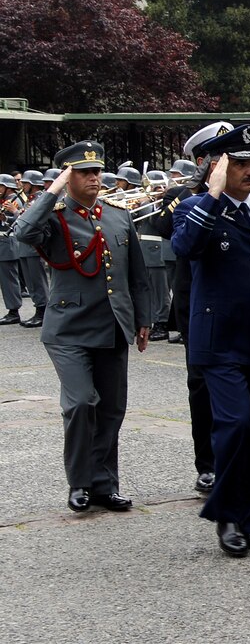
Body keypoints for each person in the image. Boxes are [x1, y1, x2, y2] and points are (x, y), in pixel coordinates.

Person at [172, 124, 250, 557]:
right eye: (239, 164)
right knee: (235, 425)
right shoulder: (192, 208)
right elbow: (186, 248)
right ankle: (226, 516)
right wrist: (214, 195)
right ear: (217, 166)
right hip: (218, 341)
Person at [14, 141, 151, 512]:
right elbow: (22, 232)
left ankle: (105, 485)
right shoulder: (54, 216)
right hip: (69, 329)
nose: (94, 177)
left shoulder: (118, 215)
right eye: (83, 172)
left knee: (111, 409)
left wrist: (143, 318)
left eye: (97, 171)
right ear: (67, 176)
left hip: (112, 324)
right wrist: (52, 190)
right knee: (80, 404)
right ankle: (79, 483)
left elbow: (136, 274)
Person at [153, 121, 233, 493]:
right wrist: (204, 188)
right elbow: (166, 227)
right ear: (202, 161)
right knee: (201, 385)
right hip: (197, 303)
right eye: (219, 156)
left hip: (238, 300)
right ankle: (208, 463)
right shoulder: (182, 196)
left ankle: (236, 459)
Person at [13, 170, 48, 328]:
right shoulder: (31, 199)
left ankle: (43, 311)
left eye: (25, 183)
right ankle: (38, 308)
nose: (22, 185)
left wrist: (15, 213)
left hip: (34, 247)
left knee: (37, 281)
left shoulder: (40, 199)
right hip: (25, 246)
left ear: (33, 184)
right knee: (30, 281)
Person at [0, 174, 23, 325]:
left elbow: (23, 219)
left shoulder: (15, 200)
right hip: (3, 243)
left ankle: (14, 311)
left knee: (9, 280)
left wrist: (8, 217)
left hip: (7, 243)